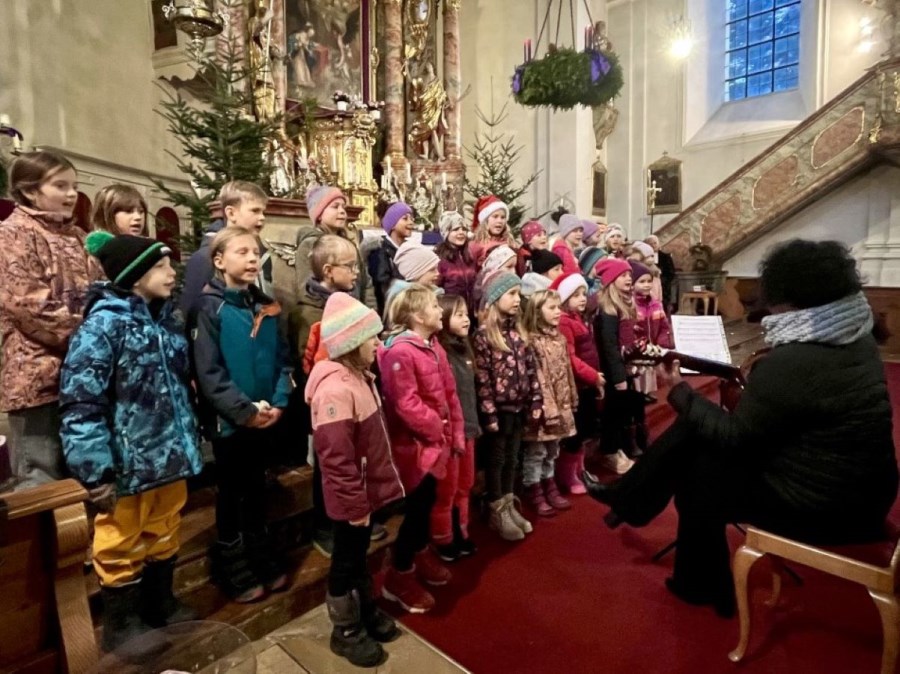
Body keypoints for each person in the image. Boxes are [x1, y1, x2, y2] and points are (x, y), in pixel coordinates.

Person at [585, 239, 899, 618]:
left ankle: (694, 576)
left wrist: (679, 391)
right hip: (865, 490)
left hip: (827, 507)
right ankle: (638, 510)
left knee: (697, 473)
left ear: (791, 297)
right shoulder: (855, 334)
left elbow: (736, 439)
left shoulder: (796, 359)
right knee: (697, 446)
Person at [60, 231, 203, 651]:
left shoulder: (166, 321)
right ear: (134, 276)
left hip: (170, 456)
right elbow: (81, 402)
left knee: (164, 528)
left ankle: (160, 602)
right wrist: (95, 470)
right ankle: (122, 625)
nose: (171, 273)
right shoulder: (102, 327)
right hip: (128, 462)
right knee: (120, 540)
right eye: (160, 266)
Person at [190, 226, 293, 603]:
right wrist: (244, 411)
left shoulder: (265, 304)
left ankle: (258, 548)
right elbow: (208, 373)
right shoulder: (208, 308)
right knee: (233, 492)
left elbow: (283, 359)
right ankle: (232, 560)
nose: (253, 259)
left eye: (256, 253)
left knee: (257, 487)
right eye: (243, 252)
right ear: (219, 261)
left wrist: (280, 401)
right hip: (232, 421)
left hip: (265, 416)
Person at [305, 292, 404, 668]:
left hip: (365, 495)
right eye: (372, 338)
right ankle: (344, 630)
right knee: (345, 563)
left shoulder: (360, 377)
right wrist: (354, 505)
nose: (379, 344)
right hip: (351, 500)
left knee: (359, 557)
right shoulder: (335, 389)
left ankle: (363, 610)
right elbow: (336, 459)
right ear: (350, 342)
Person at [0, 150, 99, 489]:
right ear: (29, 191)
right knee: (41, 479)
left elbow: (101, 294)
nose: (72, 194)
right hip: (38, 375)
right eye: (60, 185)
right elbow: (29, 306)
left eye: (73, 185)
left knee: (82, 474)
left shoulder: (79, 237)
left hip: (84, 373)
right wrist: (92, 340)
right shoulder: (11, 235)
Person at [378, 284, 466, 614]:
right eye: (433, 306)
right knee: (415, 512)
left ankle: (417, 555)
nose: (439, 311)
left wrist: (454, 432)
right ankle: (398, 575)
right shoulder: (401, 353)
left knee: (428, 504)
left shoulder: (433, 346)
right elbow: (406, 404)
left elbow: (449, 393)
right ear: (417, 315)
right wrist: (437, 429)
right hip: (414, 449)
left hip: (436, 444)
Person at [286, 234, 359, 558]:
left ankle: (348, 517)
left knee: (350, 462)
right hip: (326, 406)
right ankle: (324, 526)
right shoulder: (308, 313)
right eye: (350, 266)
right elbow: (308, 366)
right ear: (328, 270)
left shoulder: (350, 301)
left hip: (354, 397)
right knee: (327, 468)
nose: (357, 272)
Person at [473, 271, 542, 541]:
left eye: (519, 294)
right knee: (497, 458)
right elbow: (483, 380)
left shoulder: (517, 332)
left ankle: (509, 502)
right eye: (511, 294)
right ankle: (496, 508)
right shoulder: (483, 336)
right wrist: (489, 412)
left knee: (513, 458)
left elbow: (531, 369)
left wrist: (535, 398)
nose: (517, 299)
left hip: (519, 406)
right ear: (494, 298)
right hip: (498, 410)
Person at [552, 272, 613, 490]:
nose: (582, 298)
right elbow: (570, 358)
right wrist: (592, 375)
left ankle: (580, 470)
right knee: (575, 433)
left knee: (586, 428)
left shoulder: (579, 319)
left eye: (584, 294)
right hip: (577, 385)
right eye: (576, 295)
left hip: (587, 384)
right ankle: (568, 476)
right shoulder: (565, 322)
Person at [520, 289, 578, 517]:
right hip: (543, 409)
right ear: (537, 311)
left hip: (561, 404)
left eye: (558, 307)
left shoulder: (559, 338)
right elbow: (538, 379)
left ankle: (549, 482)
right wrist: (548, 407)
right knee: (537, 451)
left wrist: (572, 397)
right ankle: (534, 488)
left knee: (553, 449)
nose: (558, 312)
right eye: (552, 308)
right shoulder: (531, 342)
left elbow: (566, 371)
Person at [432, 294, 480, 561]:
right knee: (447, 490)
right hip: (450, 435)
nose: (466, 319)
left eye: (466, 313)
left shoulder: (464, 348)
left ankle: (461, 531)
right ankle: (443, 538)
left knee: (465, 484)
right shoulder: (442, 353)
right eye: (459, 314)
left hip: (469, 429)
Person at [180, 180, 269, 315]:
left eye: (263, 212)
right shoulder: (205, 257)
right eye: (255, 211)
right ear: (231, 213)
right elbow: (193, 311)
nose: (262, 217)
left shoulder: (262, 252)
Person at [594, 258, 643, 468]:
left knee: (622, 412)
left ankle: (618, 449)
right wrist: (618, 377)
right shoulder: (607, 310)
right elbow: (609, 347)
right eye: (623, 275)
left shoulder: (622, 304)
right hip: (613, 370)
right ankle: (610, 451)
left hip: (624, 368)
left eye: (629, 275)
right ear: (611, 280)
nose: (628, 279)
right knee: (613, 413)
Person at [295, 185, 368, 302]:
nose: (342, 211)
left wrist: (369, 311)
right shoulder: (310, 245)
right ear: (319, 215)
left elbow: (365, 283)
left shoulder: (349, 244)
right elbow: (307, 289)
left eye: (343, 207)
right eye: (335, 207)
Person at [631, 259, 673, 404]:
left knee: (649, 372)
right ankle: (638, 394)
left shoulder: (656, 304)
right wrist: (641, 343)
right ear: (632, 284)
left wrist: (663, 342)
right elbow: (631, 328)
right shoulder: (631, 305)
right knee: (639, 372)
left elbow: (663, 325)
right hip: (638, 348)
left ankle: (647, 392)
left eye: (649, 281)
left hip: (653, 345)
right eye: (642, 282)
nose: (647, 285)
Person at [371, 201, 414, 315]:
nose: (410, 222)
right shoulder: (380, 250)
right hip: (390, 310)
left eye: (411, 219)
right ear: (393, 224)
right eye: (405, 219)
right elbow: (382, 286)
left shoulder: (409, 249)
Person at [435, 211, 477, 316]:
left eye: (463, 229)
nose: (461, 232)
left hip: (470, 312)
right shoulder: (439, 259)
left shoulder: (469, 255)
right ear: (446, 232)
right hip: (451, 313)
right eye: (455, 229)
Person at [469, 195, 516, 267]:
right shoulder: (475, 245)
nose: (499, 221)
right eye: (495, 216)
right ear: (486, 220)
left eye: (503, 217)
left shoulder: (510, 242)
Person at [646, 234, 676, 312]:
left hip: (663, 288)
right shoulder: (643, 257)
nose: (653, 245)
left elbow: (671, 273)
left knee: (663, 310)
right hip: (647, 287)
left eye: (654, 243)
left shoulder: (666, 257)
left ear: (659, 244)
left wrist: (661, 280)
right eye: (650, 243)